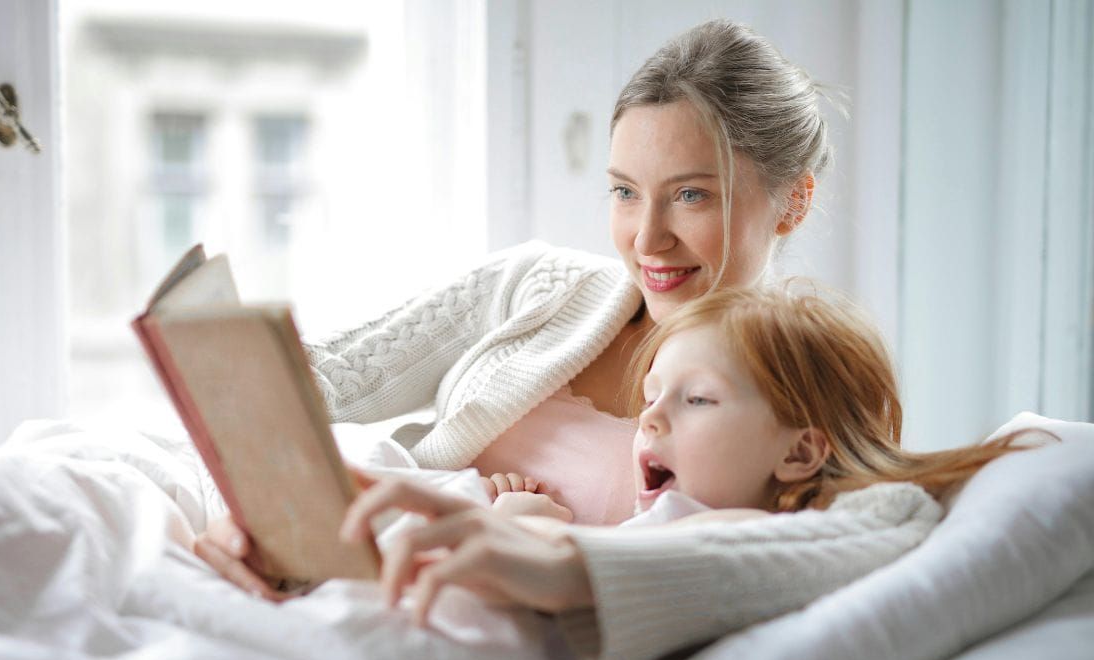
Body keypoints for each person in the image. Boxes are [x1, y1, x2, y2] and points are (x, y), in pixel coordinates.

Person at [196, 16, 834, 590]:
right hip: (352, 574)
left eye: (691, 195)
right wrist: (251, 520)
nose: (646, 239)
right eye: (624, 192)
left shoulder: (802, 396)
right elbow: (304, 392)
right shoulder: (536, 285)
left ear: (794, 201)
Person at [339, 284, 1048, 660]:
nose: (649, 420)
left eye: (697, 398)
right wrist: (540, 524)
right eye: (650, 395)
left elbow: (888, 517)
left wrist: (546, 541)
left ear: (800, 453)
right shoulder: (661, 521)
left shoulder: (752, 529)